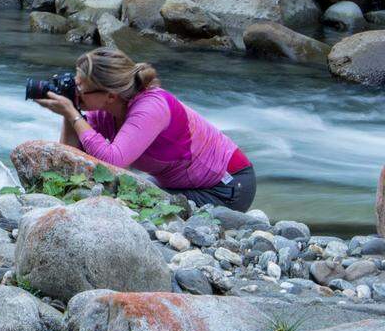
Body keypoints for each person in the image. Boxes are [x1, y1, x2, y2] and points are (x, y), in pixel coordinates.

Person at [33, 47, 255, 212]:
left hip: (228, 187)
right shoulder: (105, 111)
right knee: (127, 197)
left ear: (110, 94)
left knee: (133, 203)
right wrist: (68, 112)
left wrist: (73, 114)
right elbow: (69, 155)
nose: (75, 91)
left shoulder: (151, 107)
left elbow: (114, 160)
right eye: (74, 84)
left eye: (80, 88)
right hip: (182, 185)